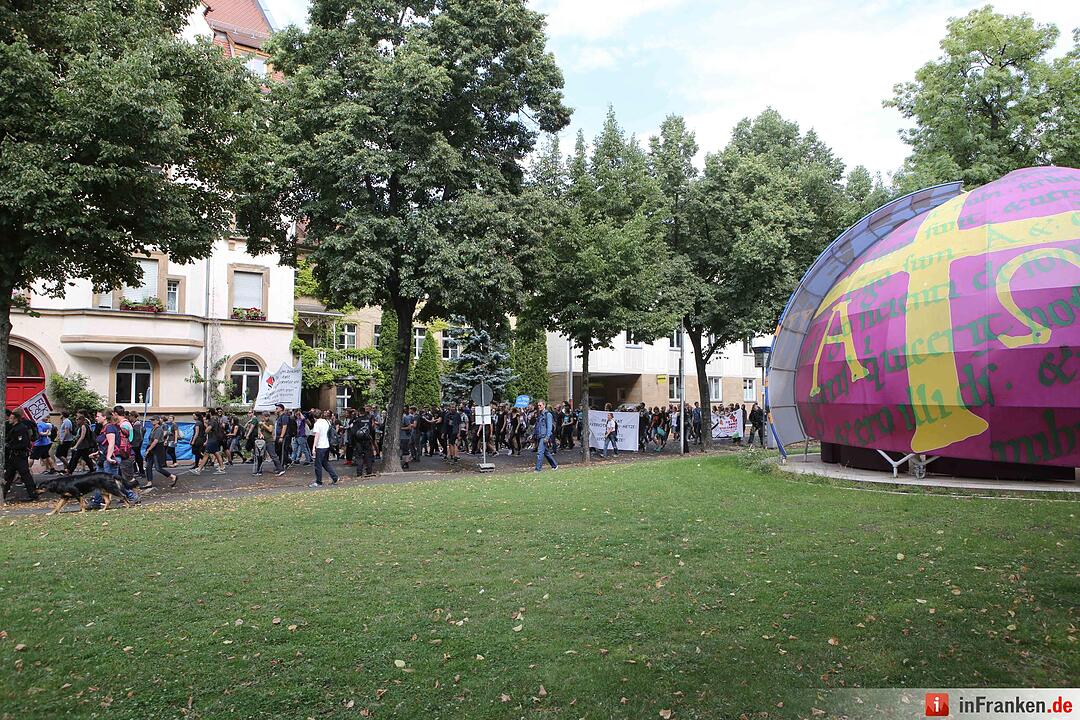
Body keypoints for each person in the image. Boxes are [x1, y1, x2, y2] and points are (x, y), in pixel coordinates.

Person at [3, 408, 39, 501]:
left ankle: (33, 494)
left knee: (26, 476)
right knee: (8, 476)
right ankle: (2, 495)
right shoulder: (14, 428)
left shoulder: (21, 428)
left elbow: (23, 443)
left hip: (20, 456)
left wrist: (9, 446)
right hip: (14, 457)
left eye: (11, 418)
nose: (9, 420)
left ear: (15, 418)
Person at [144, 415, 179, 488]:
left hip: (157, 449)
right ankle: (149, 482)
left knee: (158, 468)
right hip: (152, 449)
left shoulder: (159, 429)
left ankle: (173, 476)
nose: (151, 421)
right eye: (151, 420)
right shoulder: (153, 428)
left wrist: (148, 450)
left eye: (153, 420)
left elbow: (155, 441)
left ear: (157, 421)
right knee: (148, 466)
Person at [309, 409, 338, 487]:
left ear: (314, 417)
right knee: (325, 463)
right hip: (327, 445)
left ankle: (318, 482)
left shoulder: (317, 424)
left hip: (320, 446)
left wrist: (313, 447)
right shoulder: (326, 422)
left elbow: (317, 436)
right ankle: (335, 477)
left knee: (317, 464)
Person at [350, 405, 376, 478]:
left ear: (359, 412)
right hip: (367, 441)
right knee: (368, 456)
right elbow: (372, 430)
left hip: (359, 442)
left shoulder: (356, 421)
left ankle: (359, 472)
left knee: (359, 457)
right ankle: (369, 471)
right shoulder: (368, 420)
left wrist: (351, 443)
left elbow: (352, 432)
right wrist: (373, 439)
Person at [533, 400, 558, 472]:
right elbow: (537, 426)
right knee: (546, 452)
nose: (539, 407)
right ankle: (554, 465)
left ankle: (538, 469)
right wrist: (533, 434)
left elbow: (549, 427)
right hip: (540, 435)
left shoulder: (548, 414)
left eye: (540, 405)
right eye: (538, 405)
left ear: (544, 405)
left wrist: (547, 437)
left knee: (540, 452)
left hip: (544, 436)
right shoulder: (540, 414)